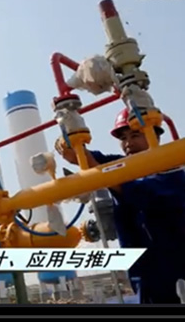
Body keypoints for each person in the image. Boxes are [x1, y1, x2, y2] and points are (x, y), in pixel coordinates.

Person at [55, 107, 185, 303]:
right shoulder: (125, 165)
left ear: (155, 135)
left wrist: (96, 170)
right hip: (143, 274)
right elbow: (90, 159)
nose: (128, 143)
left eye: (135, 135)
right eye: (123, 138)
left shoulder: (173, 169)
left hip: (175, 269)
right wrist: (70, 138)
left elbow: (139, 192)